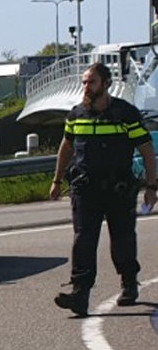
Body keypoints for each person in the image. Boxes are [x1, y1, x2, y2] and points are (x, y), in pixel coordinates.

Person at [50, 62, 158, 315]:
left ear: (107, 84)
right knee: (83, 240)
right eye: (85, 82)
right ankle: (80, 294)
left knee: (122, 240)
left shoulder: (126, 114)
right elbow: (65, 148)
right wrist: (56, 181)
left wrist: (152, 185)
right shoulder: (76, 115)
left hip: (118, 190)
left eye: (92, 81)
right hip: (85, 191)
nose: (87, 86)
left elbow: (146, 150)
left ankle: (129, 282)